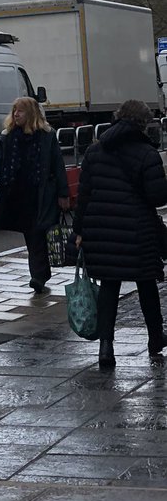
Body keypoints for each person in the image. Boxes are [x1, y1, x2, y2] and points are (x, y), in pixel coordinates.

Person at [73, 99, 167, 370]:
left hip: (101, 231)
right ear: (142, 123)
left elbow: (85, 195)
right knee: (147, 284)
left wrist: (78, 230)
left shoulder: (95, 150)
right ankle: (155, 338)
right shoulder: (147, 154)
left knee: (109, 288)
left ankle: (106, 348)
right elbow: (157, 197)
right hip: (138, 231)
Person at [0, 96, 70, 294]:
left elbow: (58, 166)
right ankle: (41, 273)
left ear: (30, 114)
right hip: (18, 194)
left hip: (42, 195)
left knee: (38, 234)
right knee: (31, 235)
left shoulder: (47, 136)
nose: (16, 114)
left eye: (20, 111)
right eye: (14, 110)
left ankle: (38, 276)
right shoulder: (8, 136)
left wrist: (63, 194)